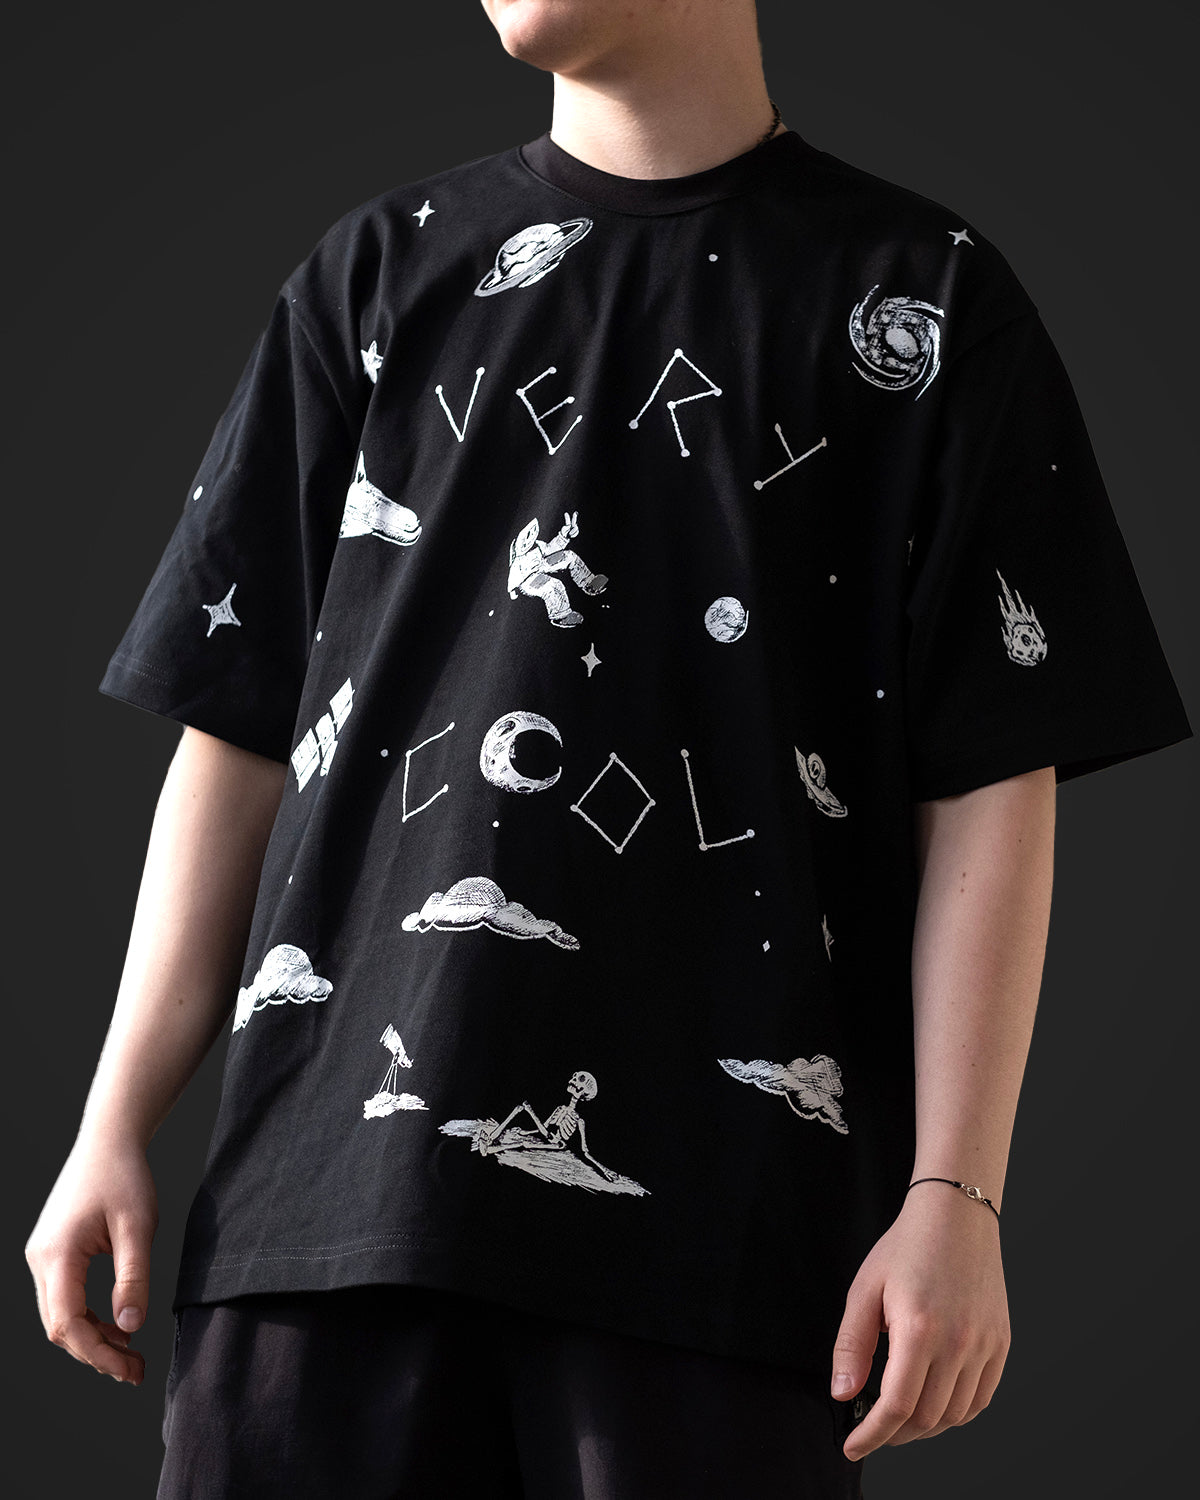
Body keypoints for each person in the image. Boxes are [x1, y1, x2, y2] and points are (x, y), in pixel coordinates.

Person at [25, 1, 1192, 1496]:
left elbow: (991, 780)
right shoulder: (378, 270)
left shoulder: (926, 298)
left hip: (725, 1249)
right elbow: (239, 738)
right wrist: (115, 1120)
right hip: (318, 1224)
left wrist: (957, 1194)